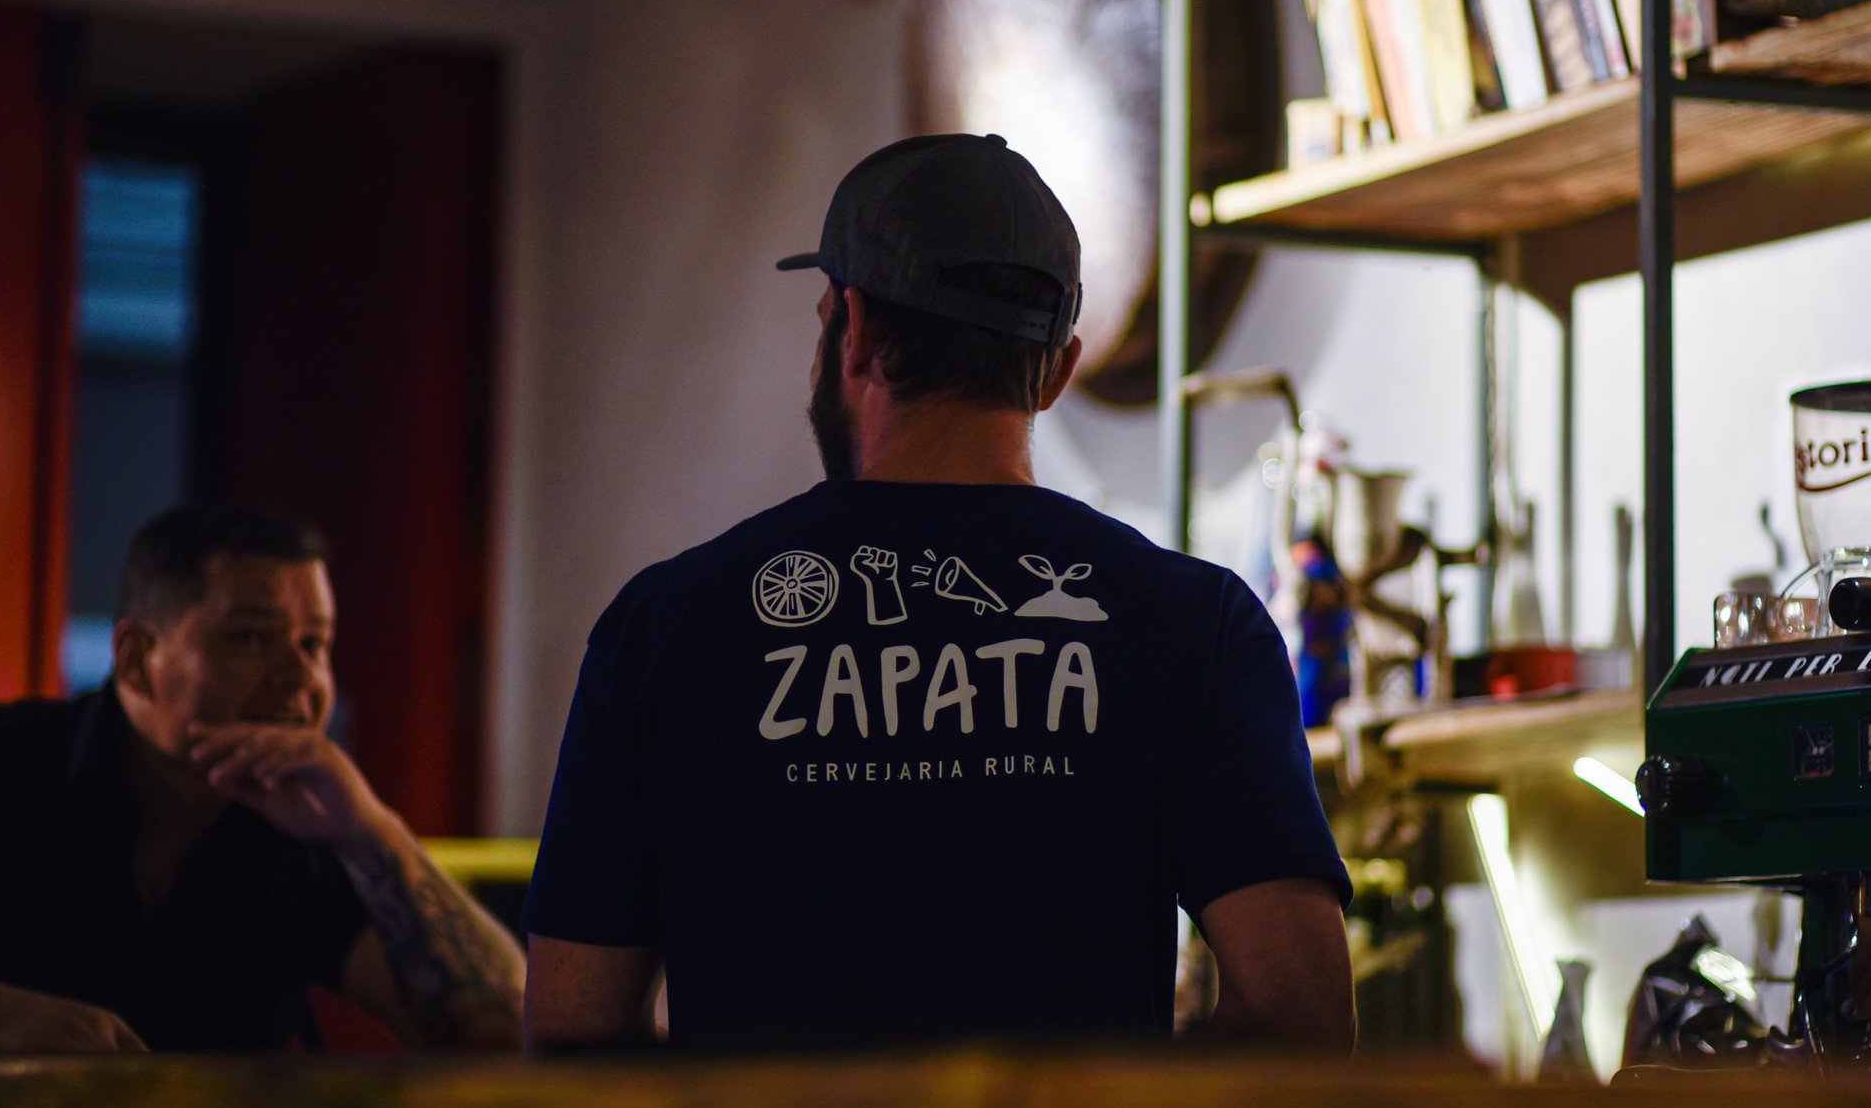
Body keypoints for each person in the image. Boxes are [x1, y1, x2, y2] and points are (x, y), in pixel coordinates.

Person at [524, 133, 1355, 1053]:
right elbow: (1301, 1013)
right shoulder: (1198, 626)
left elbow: (571, 1039)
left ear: (857, 329)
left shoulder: (665, 630)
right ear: (1058, 370)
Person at [0, 504, 524, 1052]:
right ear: (137, 656)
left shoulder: (303, 828)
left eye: (316, 644)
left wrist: (372, 830)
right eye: (250, 638)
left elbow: (508, 1030)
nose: (300, 680)